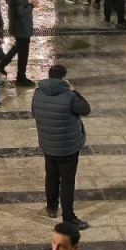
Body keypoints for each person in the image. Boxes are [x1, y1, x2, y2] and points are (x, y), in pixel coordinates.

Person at [33, 64, 91, 230]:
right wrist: (74, 91)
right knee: (67, 182)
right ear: (63, 78)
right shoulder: (69, 96)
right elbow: (86, 109)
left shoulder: (37, 93)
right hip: (67, 147)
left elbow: (35, 112)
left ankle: (51, 207)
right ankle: (68, 217)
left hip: (48, 145)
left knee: (51, 176)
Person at [0, 0, 37, 85]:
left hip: (18, 26)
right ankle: (21, 78)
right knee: (23, 53)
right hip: (21, 27)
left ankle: (2, 64)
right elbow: (21, 12)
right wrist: (31, 5)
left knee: (18, 47)